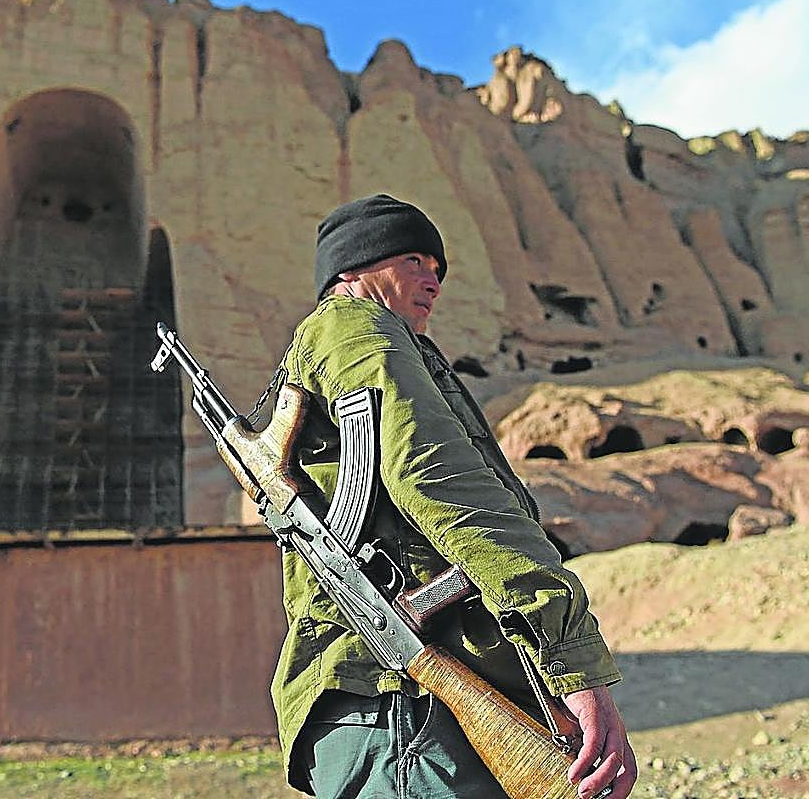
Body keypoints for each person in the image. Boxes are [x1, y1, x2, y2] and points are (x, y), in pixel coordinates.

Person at [270, 194, 637, 799]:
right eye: (414, 259)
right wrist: (571, 660)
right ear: (354, 268)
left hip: (420, 703)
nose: (433, 279)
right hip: (403, 712)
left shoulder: (391, 346)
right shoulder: (354, 329)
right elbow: (434, 472)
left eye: (438, 267)